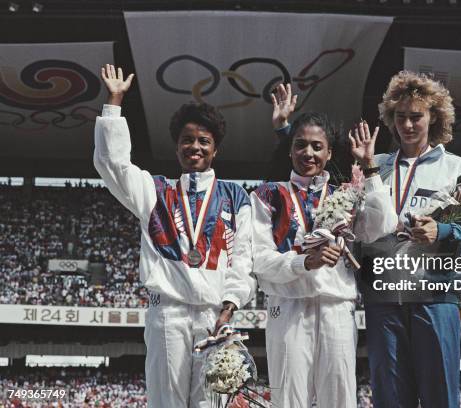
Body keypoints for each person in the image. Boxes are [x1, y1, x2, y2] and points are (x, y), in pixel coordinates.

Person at [93, 64, 255, 408]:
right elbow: (112, 164)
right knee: (167, 403)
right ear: (176, 146)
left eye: (203, 141)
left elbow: (243, 257)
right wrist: (114, 102)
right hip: (168, 316)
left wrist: (232, 302)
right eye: (187, 140)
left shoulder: (235, 196)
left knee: (212, 403)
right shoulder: (153, 191)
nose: (194, 146)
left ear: (216, 149)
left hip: (215, 316)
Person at [250, 85, 397, 408]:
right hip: (288, 306)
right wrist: (305, 262)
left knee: (340, 399)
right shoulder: (266, 195)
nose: (309, 153)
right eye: (300, 145)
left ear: (330, 153)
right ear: (290, 150)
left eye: (318, 146)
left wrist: (371, 167)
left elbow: (383, 225)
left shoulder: (348, 193)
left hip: (336, 306)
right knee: (288, 400)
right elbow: (260, 260)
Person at [362, 71, 461, 408]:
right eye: (400, 116)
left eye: (416, 116)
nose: (407, 125)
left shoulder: (456, 170)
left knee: (440, 398)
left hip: (434, 300)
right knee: (389, 399)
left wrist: (443, 232)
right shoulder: (372, 168)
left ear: (433, 116)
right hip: (384, 301)